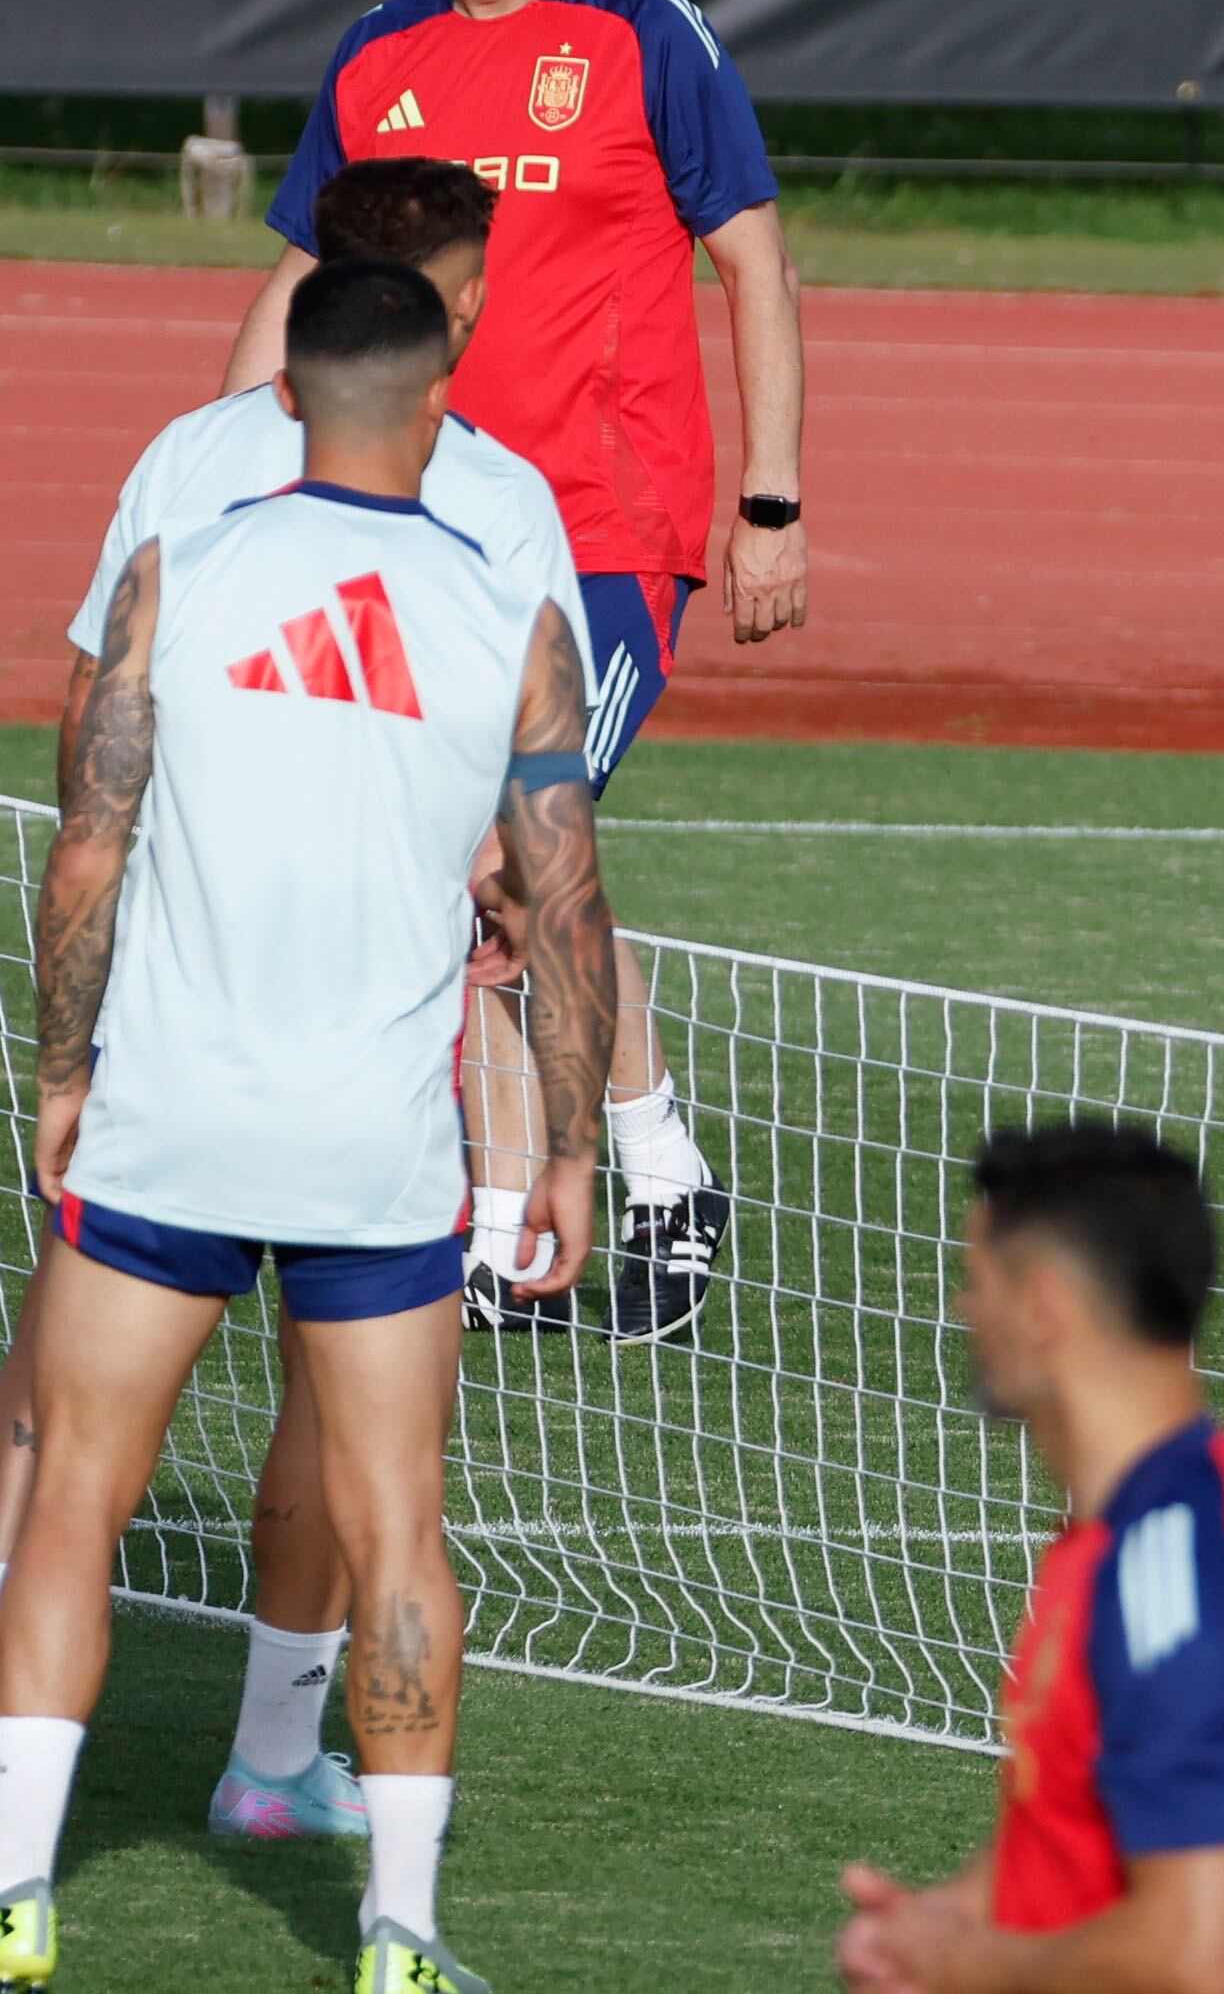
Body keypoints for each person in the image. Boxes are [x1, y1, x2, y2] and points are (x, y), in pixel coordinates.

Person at [0, 259, 618, 1994]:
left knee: (69, 1507)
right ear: (439, 403)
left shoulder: (174, 571)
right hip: (375, 1150)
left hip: (172, 1120)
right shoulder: (513, 612)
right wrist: (568, 1147)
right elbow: (566, 910)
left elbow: (87, 850)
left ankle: (14, 1896)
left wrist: (62, 1074)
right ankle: (400, 1937)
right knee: (398, 1527)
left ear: (285, 395)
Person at [219, 0, 810, 1341]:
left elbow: (756, 258)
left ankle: (657, 1173)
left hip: (609, 539)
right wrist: (225, 475)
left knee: (509, 844)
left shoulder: (643, 30)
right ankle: (500, 1221)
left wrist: (772, 503)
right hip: (431, 526)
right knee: (461, 857)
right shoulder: (379, 57)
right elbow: (307, 276)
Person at [836, 1125, 1224, 1994]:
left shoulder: (1180, 1576)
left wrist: (963, 1964)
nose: (965, 1311)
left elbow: (1190, 1955)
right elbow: (1094, 1815)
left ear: (1043, 1309)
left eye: (978, 1282)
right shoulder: (1146, 1527)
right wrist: (937, 1923)